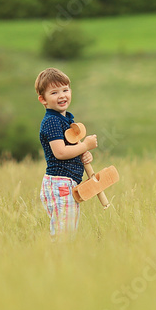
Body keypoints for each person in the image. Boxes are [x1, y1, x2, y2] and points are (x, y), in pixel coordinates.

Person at [35, 67, 97, 237]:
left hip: (67, 183)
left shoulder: (65, 119)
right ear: (43, 99)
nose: (62, 95)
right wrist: (85, 146)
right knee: (64, 235)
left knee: (67, 231)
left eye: (65, 90)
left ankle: (61, 261)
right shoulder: (52, 122)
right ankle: (58, 262)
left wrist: (83, 154)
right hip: (61, 184)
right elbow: (60, 153)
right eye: (54, 93)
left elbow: (70, 150)